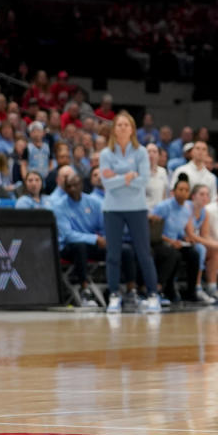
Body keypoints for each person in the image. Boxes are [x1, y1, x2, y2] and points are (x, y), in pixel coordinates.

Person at [98, 111, 160, 314]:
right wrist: (128, 176)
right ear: (114, 129)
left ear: (132, 129)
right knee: (113, 255)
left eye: (126, 124)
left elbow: (143, 181)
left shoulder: (141, 152)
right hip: (113, 209)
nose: (123, 128)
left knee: (144, 253)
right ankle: (114, 295)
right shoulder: (106, 154)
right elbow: (107, 184)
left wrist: (118, 176)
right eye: (119, 125)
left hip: (137, 208)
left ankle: (153, 295)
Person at [52, 173, 108, 303]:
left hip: (91, 245)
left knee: (123, 249)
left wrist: (105, 238)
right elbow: (68, 235)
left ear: (81, 185)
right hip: (68, 247)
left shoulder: (94, 203)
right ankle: (84, 289)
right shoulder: (59, 206)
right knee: (79, 247)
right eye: (69, 186)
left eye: (75, 185)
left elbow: (103, 227)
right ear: (65, 188)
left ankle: (119, 290)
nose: (72, 189)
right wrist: (95, 238)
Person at [149, 177, 203, 304]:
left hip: (175, 242)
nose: (183, 192)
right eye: (180, 189)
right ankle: (165, 288)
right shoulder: (163, 207)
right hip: (159, 242)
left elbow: (180, 230)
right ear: (173, 191)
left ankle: (192, 291)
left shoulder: (186, 210)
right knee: (175, 255)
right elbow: (153, 231)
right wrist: (170, 241)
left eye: (186, 190)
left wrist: (185, 238)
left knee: (194, 254)